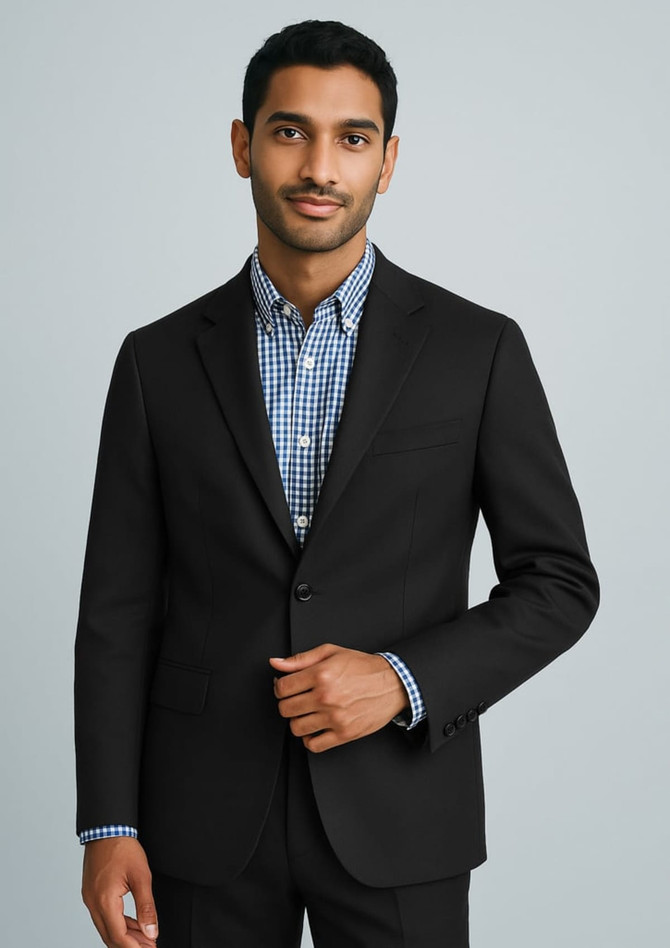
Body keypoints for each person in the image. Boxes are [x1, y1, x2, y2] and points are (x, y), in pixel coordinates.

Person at [74, 19, 599, 948]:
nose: (321, 164)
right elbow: (117, 610)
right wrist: (109, 824)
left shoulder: (477, 351)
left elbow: (559, 582)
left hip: (402, 812)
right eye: (290, 131)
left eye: (352, 138)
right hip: (199, 820)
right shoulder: (156, 362)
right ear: (242, 145)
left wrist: (402, 681)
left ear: (387, 161)